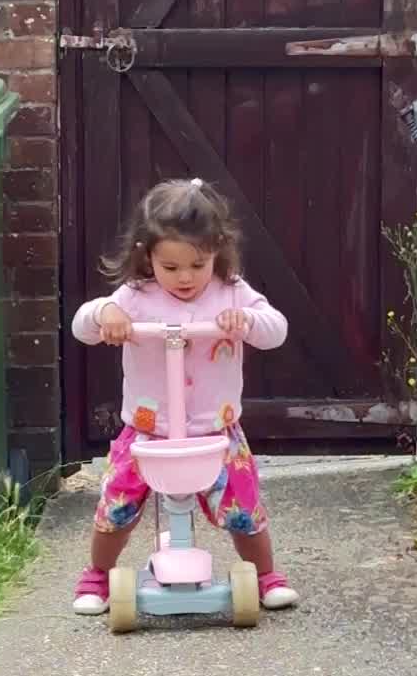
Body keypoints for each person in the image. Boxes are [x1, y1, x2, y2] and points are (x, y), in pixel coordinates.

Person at [70, 177, 300, 616]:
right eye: (171, 267)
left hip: (215, 430)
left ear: (217, 251)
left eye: (198, 264)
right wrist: (106, 313)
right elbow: (83, 326)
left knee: (243, 508)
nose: (186, 277)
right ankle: (98, 574)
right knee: (117, 505)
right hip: (148, 431)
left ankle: (266, 574)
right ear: (148, 256)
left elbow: (277, 329)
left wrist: (246, 320)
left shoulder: (231, 291)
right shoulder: (135, 296)